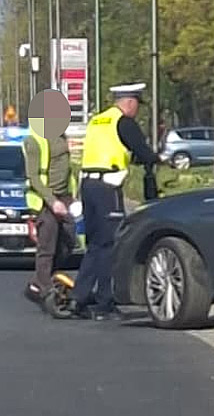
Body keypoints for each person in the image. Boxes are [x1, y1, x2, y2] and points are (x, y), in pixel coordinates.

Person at [53, 82, 158, 321]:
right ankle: (104, 303)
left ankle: (78, 298)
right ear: (129, 102)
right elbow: (142, 151)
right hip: (107, 188)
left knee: (95, 245)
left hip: (88, 186)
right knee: (110, 244)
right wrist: (158, 160)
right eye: (136, 105)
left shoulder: (98, 121)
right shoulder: (124, 122)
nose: (137, 110)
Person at [22, 124, 77, 305]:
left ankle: (43, 282)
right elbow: (34, 177)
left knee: (68, 240)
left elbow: (68, 169)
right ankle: (44, 289)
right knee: (47, 245)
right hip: (46, 201)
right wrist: (52, 201)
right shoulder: (35, 140)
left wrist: (73, 196)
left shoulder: (62, 136)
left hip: (66, 196)